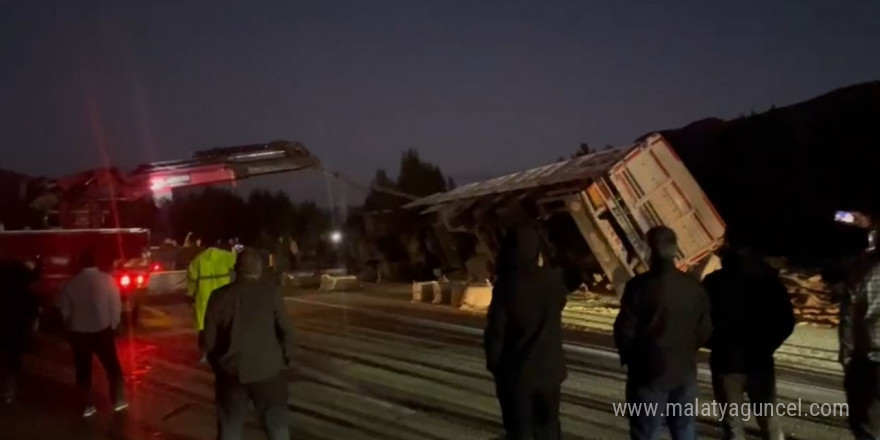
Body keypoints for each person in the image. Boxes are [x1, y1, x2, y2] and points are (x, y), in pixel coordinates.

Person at [614, 226, 712, 440]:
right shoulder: (694, 287)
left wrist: (632, 360)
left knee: (646, 432)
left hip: (648, 373)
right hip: (684, 371)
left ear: (649, 252)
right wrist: (686, 349)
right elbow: (705, 329)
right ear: (675, 250)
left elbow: (624, 331)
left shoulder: (638, 286)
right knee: (684, 430)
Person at [703, 234, 794, 440]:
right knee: (769, 420)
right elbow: (786, 322)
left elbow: (699, 320)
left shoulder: (714, 283)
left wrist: (714, 343)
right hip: (759, 361)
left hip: (726, 361)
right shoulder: (769, 283)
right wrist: (767, 345)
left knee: (733, 424)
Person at [484, 224, 569, 439]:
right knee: (549, 426)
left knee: (521, 430)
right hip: (550, 370)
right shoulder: (553, 280)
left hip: (517, 374)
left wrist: (495, 367)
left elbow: (496, 335)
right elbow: (560, 302)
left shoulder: (506, 286)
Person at [203, 248, 295, 440]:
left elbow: (208, 340)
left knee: (229, 428)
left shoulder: (218, 296)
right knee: (276, 427)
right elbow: (285, 329)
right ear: (259, 269)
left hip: (231, 373)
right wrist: (286, 358)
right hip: (268, 371)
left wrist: (218, 364)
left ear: (236, 270)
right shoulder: (270, 292)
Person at [58, 252, 127, 417]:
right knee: (112, 367)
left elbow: (65, 311)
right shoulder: (108, 280)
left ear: (79, 264)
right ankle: (118, 399)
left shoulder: (70, 284)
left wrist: (70, 326)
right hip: (102, 330)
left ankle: (88, 405)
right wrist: (113, 324)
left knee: (83, 369)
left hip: (79, 332)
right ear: (95, 262)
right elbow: (116, 305)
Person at [839, 215, 880, 439]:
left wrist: (847, 360)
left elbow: (848, 321)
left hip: (870, 364)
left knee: (867, 429)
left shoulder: (862, 274)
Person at [187, 240, 237, 362]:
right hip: (223, 297)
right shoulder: (226, 257)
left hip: (204, 299)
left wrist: (190, 295)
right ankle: (223, 353)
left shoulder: (197, 261)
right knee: (223, 326)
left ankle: (204, 355)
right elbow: (240, 265)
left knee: (204, 328)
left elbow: (192, 282)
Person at [0, 256, 41, 404]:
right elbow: (33, 312)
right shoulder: (26, 294)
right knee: (13, 361)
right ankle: (9, 392)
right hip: (16, 330)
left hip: (4, 327)